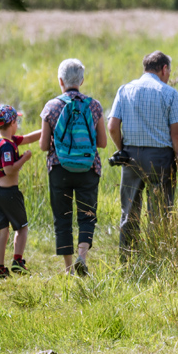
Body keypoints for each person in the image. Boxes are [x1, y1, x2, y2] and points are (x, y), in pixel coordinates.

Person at [108, 50, 178, 256]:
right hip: (160, 159)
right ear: (163, 69)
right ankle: (157, 257)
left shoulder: (124, 90)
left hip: (131, 157)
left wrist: (122, 149)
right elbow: (177, 134)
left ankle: (128, 258)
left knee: (129, 212)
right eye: (168, 71)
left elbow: (112, 127)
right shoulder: (169, 93)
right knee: (160, 212)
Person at [39, 59, 108, 276]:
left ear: (60, 81)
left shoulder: (51, 106)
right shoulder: (94, 105)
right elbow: (103, 143)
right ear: (82, 80)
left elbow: (43, 145)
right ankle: (82, 257)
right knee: (87, 215)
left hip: (59, 169)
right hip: (88, 168)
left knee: (63, 216)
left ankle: (69, 269)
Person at [0, 104, 42, 279]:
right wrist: (25, 158)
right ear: (13, 123)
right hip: (7, 193)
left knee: (2, 233)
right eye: (17, 120)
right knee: (21, 228)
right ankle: (17, 260)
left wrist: (48, 128)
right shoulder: (7, 146)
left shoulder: (0, 139)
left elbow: (29, 138)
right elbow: (9, 170)